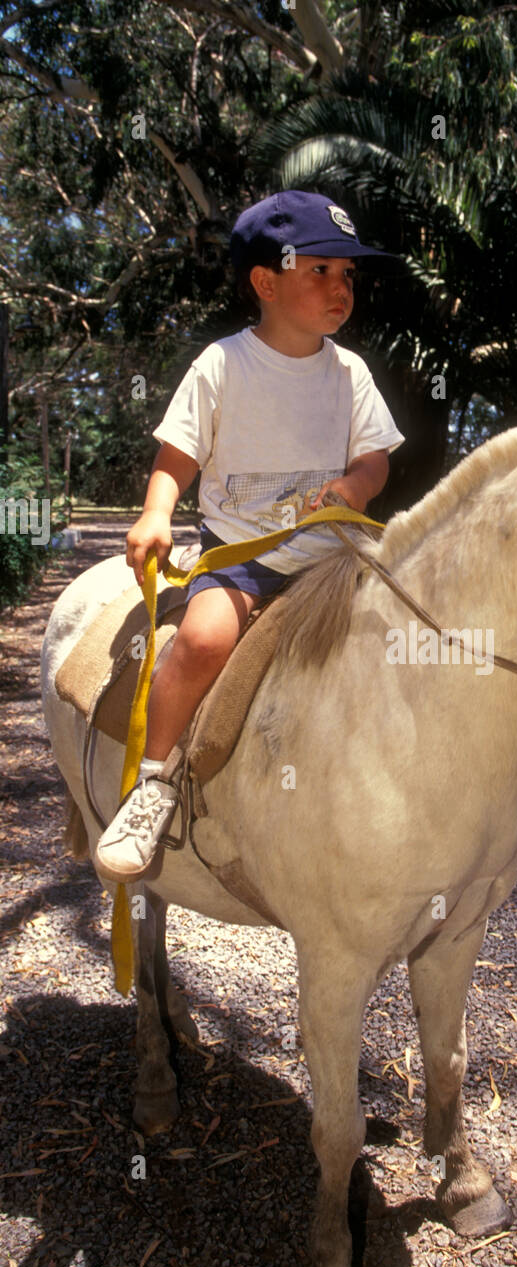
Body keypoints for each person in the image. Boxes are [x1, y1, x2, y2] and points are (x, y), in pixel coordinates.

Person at [95, 191, 404, 881]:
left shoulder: (349, 373)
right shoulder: (222, 365)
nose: (341, 288)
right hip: (245, 561)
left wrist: (356, 486)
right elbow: (178, 455)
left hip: (332, 561)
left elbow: (375, 456)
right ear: (266, 282)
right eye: (321, 271)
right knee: (203, 638)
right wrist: (154, 513)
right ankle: (154, 784)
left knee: (404, 638)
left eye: (348, 276)